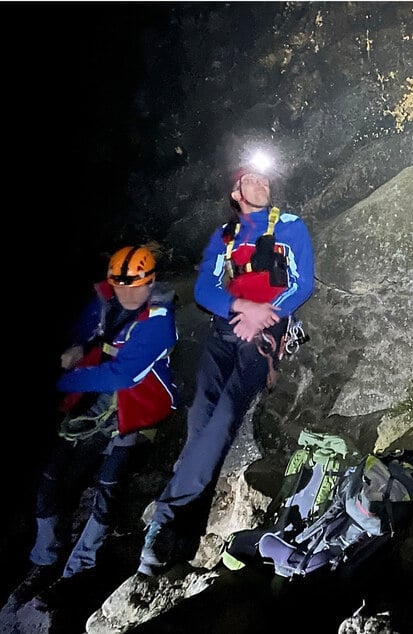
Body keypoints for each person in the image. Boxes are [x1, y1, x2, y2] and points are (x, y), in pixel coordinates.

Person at [138, 160, 315, 575]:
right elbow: (204, 289)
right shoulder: (226, 236)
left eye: (265, 177)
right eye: (251, 179)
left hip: (262, 335)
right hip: (224, 332)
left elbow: (302, 282)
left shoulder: (290, 225)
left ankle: (164, 521)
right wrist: (240, 306)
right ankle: (182, 542)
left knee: (227, 415)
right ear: (236, 193)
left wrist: (265, 313)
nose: (262, 182)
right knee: (200, 423)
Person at [7, 245, 178, 609]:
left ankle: (76, 572)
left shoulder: (159, 321)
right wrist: (75, 346)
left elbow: (122, 373)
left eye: (135, 285)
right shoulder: (105, 300)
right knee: (51, 482)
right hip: (92, 408)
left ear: (150, 282)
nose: (127, 293)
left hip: (132, 413)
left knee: (107, 493)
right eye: (120, 285)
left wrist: (65, 380)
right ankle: (44, 561)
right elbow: (84, 329)